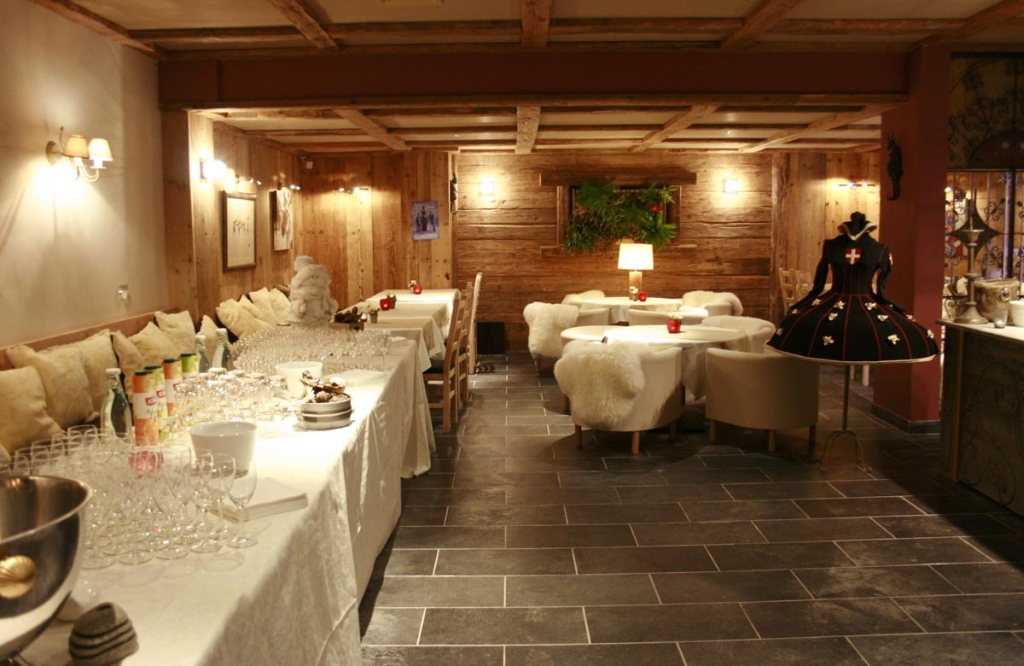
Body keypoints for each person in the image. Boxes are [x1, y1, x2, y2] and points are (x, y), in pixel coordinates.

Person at [768, 212, 937, 363]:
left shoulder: (880, 249)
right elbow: (820, 278)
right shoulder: (833, 246)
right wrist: (812, 297)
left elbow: (884, 277)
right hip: (835, 297)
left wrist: (881, 297)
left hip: (864, 299)